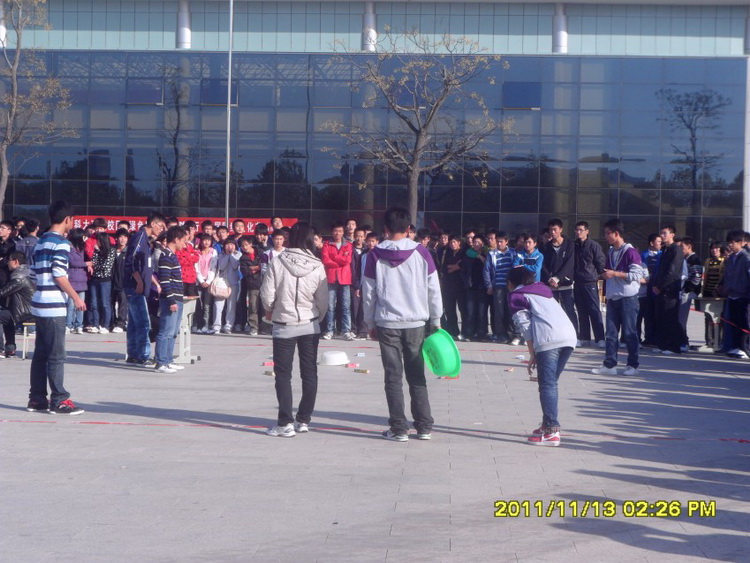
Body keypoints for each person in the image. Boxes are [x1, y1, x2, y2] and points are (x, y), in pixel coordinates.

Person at [362, 206, 443, 442]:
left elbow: (368, 293)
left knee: (393, 377)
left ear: (385, 229)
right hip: (416, 323)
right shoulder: (422, 252)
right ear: (408, 228)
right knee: (417, 375)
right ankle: (424, 426)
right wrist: (436, 319)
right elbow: (434, 288)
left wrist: (369, 322)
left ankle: (398, 428)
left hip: (387, 323)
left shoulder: (375, 255)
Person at [261, 222, 328, 437]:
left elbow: (267, 293)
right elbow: (323, 299)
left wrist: (270, 310)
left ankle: (285, 423)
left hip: (284, 324)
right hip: (310, 323)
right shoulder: (317, 264)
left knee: (283, 374)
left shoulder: (278, 261)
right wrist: (318, 318)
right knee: (309, 373)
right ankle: (303, 419)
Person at [27, 200, 87, 415]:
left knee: (41, 354)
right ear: (67, 220)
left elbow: (33, 273)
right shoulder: (61, 243)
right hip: (53, 306)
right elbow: (59, 274)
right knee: (56, 356)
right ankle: (59, 400)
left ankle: (36, 398)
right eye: (73, 220)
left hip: (39, 303)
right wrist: (76, 298)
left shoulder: (40, 242)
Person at [508, 266, 576, 447]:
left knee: (547, 385)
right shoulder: (543, 289)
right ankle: (547, 424)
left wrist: (532, 353)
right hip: (569, 337)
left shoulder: (517, 296)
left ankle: (552, 431)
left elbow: (526, 327)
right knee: (550, 383)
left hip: (549, 339)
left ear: (511, 283)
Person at [591, 219, 643, 377]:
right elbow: (608, 271)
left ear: (617, 233)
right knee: (611, 334)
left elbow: (636, 275)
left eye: (608, 233)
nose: (605, 236)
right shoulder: (611, 252)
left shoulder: (631, 252)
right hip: (613, 297)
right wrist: (605, 275)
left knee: (629, 333)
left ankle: (633, 365)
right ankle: (610, 365)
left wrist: (615, 274)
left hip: (628, 298)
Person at [123, 212, 166, 367]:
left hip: (140, 287)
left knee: (134, 323)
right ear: (152, 224)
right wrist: (139, 281)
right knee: (143, 322)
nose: (162, 229)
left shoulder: (146, 241)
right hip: (135, 286)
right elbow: (130, 261)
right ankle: (143, 356)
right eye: (160, 226)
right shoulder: (140, 237)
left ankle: (133, 354)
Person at [155, 226, 188, 374]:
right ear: (176, 239)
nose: (184, 244)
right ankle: (161, 362)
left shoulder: (172, 256)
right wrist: (171, 300)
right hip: (171, 298)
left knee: (173, 331)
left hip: (178, 297)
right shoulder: (166, 256)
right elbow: (164, 280)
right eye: (183, 241)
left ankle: (168, 360)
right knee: (166, 331)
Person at [541, 219, 578, 342]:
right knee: (553, 312)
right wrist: (550, 278)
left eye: (555, 229)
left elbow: (569, 264)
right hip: (552, 286)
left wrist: (558, 278)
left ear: (561, 230)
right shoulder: (546, 247)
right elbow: (543, 265)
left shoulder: (570, 244)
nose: (553, 232)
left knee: (569, 311)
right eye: (550, 230)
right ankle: (556, 336)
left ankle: (574, 336)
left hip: (566, 284)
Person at [652, 225, 685, 355]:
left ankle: (673, 346)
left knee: (670, 318)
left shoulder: (676, 250)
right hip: (662, 290)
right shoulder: (665, 250)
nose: (662, 235)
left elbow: (672, 272)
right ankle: (663, 345)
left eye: (665, 233)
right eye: (661, 233)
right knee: (661, 318)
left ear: (672, 235)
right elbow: (661, 270)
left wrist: (660, 286)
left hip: (670, 290)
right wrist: (656, 284)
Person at [573, 221, 606, 348]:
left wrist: (599, 275)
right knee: (581, 311)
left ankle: (600, 338)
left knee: (594, 310)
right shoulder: (574, 246)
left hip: (590, 281)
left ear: (587, 231)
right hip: (577, 282)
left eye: (581, 230)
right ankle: (584, 337)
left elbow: (600, 262)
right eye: (576, 230)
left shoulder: (593, 245)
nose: (578, 232)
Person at [719, 230, 750, 358]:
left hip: (743, 296)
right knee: (734, 323)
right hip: (731, 295)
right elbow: (727, 276)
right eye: (729, 243)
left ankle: (744, 348)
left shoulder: (746, 258)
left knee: (744, 323)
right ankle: (736, 347)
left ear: (741, 243)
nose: (730, 245)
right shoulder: (730, 258)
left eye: (733, 243)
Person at [321, 221, 354, 341]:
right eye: (335, 231)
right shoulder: (327, 244)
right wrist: (339, 261)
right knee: (330, 307)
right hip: (331, 278)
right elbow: (325, 260)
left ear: (343, 232)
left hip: (344, 278)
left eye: (340, 231)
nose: (337, 233)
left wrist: (334, 257)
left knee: (346, 307)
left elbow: (347, 260)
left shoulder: (348, 245)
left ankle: (346, 331)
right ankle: (330, 330)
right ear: (332, 232)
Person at [483, 230, 516, 344]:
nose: (499, 243)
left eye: (501, 241)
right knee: (499, 312)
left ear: (507, 241)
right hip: (498, 286)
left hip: (511, 287)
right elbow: (486, 270)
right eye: (497, 241)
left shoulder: (513, 252)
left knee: (511, 311)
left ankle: (512, 334)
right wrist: (489, 285)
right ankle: (501, 334)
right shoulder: (492, 254)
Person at [0, 252, 34, 358]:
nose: (7, 263)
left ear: (16, 261)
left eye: (9, 261)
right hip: (26, 310)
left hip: (26, 313)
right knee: (5, 315)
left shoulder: (19, 277)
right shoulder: (23, 273)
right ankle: (10, 348)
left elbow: (3, 292)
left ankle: (1, 349)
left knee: (2, 316)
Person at [460, 233, 487, 341]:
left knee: (482, 313)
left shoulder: (486, 255)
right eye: (475, 242)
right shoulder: (468, 254)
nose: (476, 244)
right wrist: (465, 281)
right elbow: (463, 270)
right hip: (471, 287)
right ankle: (469, 333)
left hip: (482, 287)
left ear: (482, 244)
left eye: (478, 242)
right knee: (470, 312)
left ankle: (481, 334)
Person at [211, 237, 241, 334]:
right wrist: (227, 255)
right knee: (218, 305)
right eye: (227, 245)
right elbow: (222, 266)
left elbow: (235, 265)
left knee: (231, 306)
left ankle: (228, 326)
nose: (229, 246)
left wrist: (231, 255)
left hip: (233, 283)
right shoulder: (220, 255)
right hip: (221, 283)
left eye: (232, 244)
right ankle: (216, 326)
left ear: (235, 246)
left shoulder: (238, 254)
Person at [638, 233, 662, 347]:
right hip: (644, 290)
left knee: (655, 314)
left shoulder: (662, 254)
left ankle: (655, 338)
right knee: (645, 315)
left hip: (657, 289)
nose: (661, 244)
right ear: (651, 243)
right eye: (658, 242)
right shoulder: (643, 255)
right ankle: (647, 338)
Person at [89, 232, 116, 334]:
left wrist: (96, 266)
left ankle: (106, 325)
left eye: (98, 240)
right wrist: (96, 252)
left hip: (105, 280)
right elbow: (93, 262)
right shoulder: (97, 251)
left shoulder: (111, 251)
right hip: (95, 279)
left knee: (105, 303)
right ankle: (95, 325)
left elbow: (106, 266)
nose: (97, 242)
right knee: (94, 303)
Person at [679, 237, 702, 351]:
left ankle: (684, 342)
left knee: (681, 319)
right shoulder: (686, 258)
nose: (681, 249)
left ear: (689, 247)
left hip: (688, 292)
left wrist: (686, 289)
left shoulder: (694, 259)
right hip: (684, 291)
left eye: (682, 247)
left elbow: (696, 278)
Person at [440, 235, 464, 339]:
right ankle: (453, 331)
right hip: (448, 285)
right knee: (449, 310)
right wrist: (454, 267)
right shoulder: (447, 253)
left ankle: (465, 332)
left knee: (463, 310)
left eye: (454, 242)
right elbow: (444, 267)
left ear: (459, 243)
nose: (452, 244)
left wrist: (457, 267)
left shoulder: (463, 253)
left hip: (460, 286)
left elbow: (464, 266)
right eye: (451, 242)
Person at [701, 242, 725, 348]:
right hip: (707, 292)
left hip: (718, 294)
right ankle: (708, 341)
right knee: (708, 317)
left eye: (716, 248)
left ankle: (718, 341)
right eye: (712, 248)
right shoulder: (708, 261)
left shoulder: (724, 261)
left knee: (718, 318)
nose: (714, 250)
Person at [65, 228, 88, 335]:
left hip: (82, 279)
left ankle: (79, 325)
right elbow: (73, 262)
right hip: (72, 279)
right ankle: (68, 325)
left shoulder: (82, 248)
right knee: (71, 305)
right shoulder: (69, 248)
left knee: (81, 305)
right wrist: (86, 264)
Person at [239, 235, 262, 335]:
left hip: (264, 282)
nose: (245, 247)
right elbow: (245, 271)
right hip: (252, 284)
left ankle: (265, 327)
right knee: (253, 306)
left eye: (246, 245)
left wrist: (255, 268)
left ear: (251, 244)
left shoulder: (261, 253)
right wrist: (258, 268)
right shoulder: (243, 258)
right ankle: (254, 327)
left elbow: (266, 265)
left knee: (265, 306)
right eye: (242, 246)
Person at [194, 234, 218, 333]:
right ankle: (197, 325)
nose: (206, 242)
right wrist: (201, 280)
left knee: (207, 304)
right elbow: (196, 267)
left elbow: (213, 267)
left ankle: (206, 325)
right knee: (198, 304)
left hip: (209, 281)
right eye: (204, 240)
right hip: (198, 281)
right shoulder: (197, 252)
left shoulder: (213, 251)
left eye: (208, 240)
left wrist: (208, 281)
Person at [110, 228, 129, 333]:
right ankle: (112, 323)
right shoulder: (112, 251)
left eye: (125, 237)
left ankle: (121, 323)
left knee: (122, 303)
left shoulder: (129, 252)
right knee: (110, 303)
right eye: (121, 237)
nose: (123, 239)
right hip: (111, 281)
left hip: (123, 282)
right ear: (117, 238)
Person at [350, 227, 367, 339]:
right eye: (357, 236)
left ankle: (363, 330)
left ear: (364, 237)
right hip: (352, 281)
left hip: (364, 282)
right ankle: (353, 329)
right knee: (354, 307)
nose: (359, 238)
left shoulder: (367, 251)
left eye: (361, 236)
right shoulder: (350, 249)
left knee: (363, 307)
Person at [0, 219, 16, 289]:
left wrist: (3, 260)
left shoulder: (12, 244)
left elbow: (9, 259)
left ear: (9, 231)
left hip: (5, 274)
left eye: (2, 228)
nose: (0, 230)